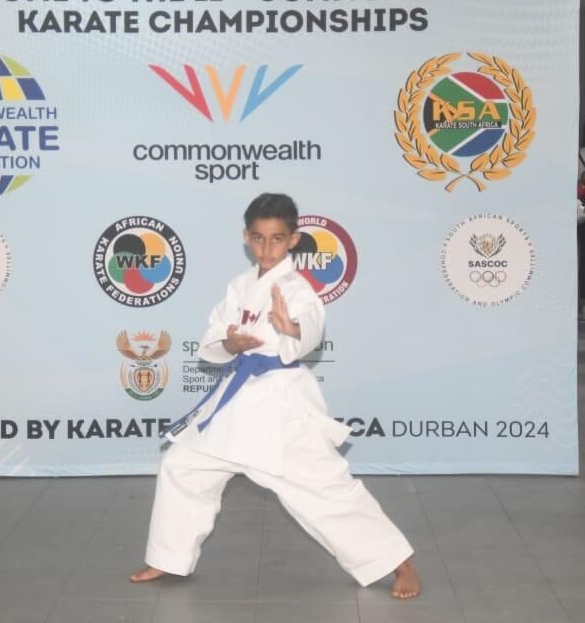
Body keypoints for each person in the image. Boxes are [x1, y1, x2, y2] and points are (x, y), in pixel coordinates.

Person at [130, 193, 420, 599]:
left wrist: (292, 328)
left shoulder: (298, 289)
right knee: (182, 464)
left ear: (293, 240)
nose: (267, 248)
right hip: (236, 402)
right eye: (259, 238)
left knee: (326, 490)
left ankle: (399, 564)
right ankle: (168, 556)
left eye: (277, 239)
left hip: (279, 410)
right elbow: (214, 335)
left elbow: (311, 327)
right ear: (246, 237)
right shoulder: (239, 286)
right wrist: (229, 344)